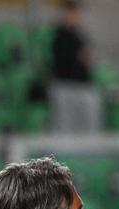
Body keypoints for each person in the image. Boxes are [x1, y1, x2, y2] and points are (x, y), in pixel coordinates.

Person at [49, 0, 101, 132]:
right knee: (64, 127)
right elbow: (60, 61)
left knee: (89, 125)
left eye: (75, 13)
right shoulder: (58, 36)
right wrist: (78, 55)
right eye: (70, 13)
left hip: (82, 85)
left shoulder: (80, 35)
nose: (73, 16)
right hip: (64, 85)